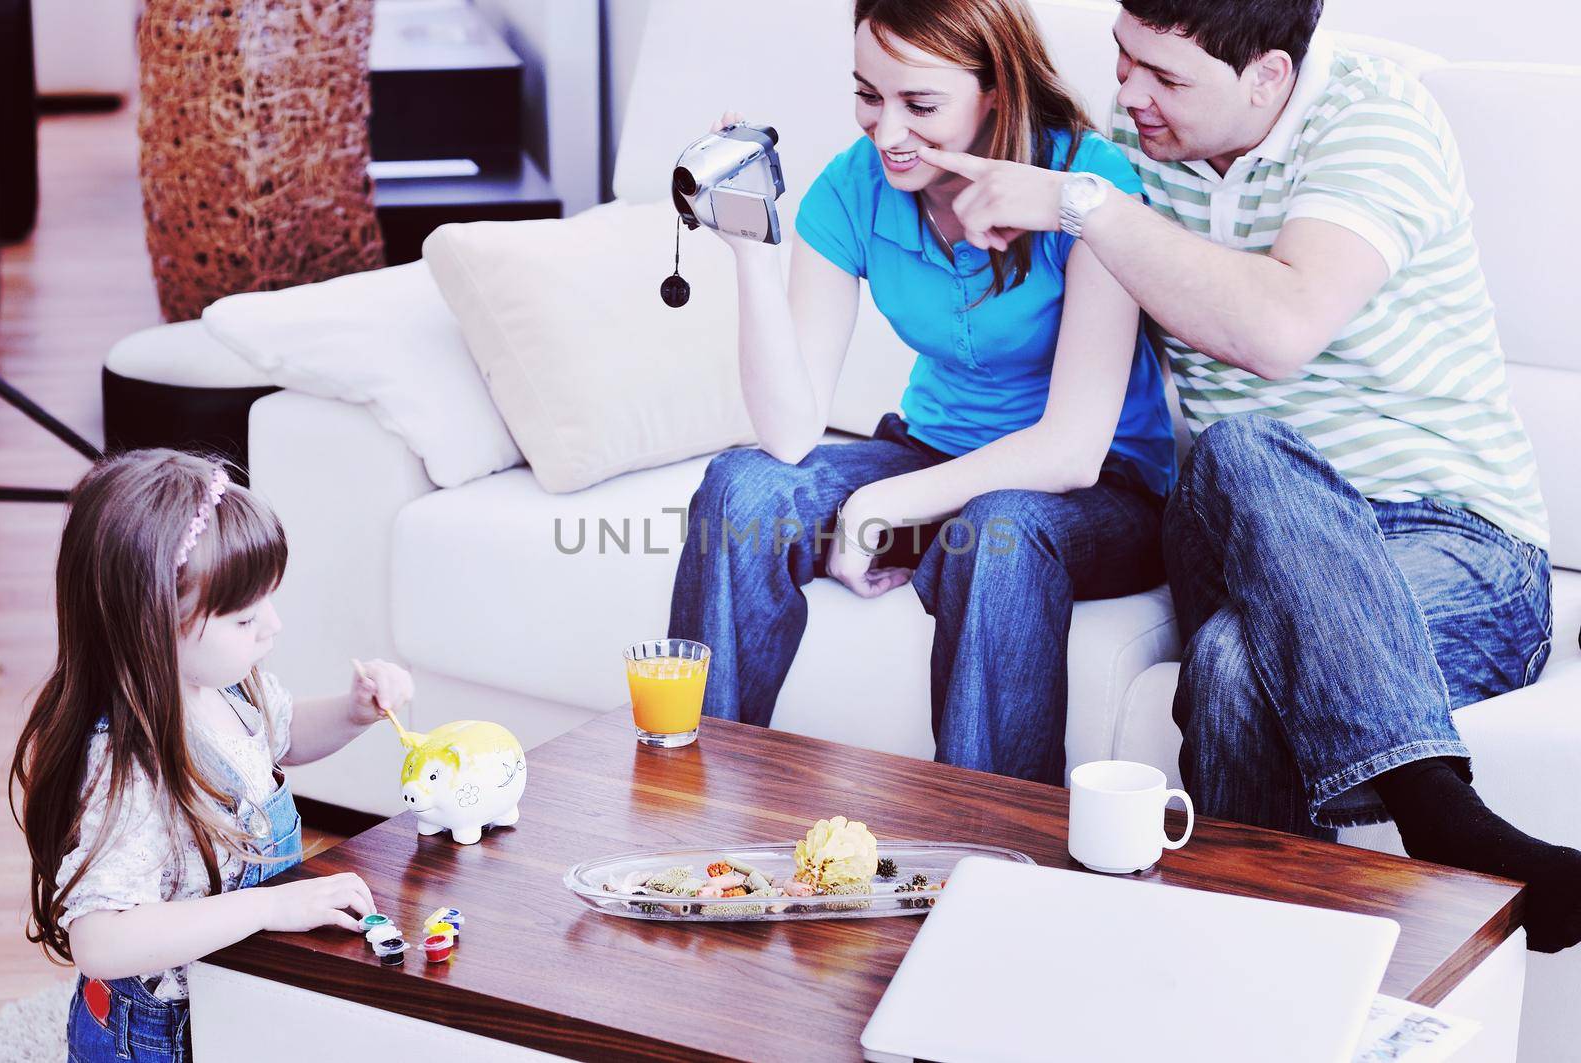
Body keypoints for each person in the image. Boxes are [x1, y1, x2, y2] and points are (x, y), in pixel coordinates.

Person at [917, 0, 1580, 951]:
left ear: (1269, 74)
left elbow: (1278, 329)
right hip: (1234, 530)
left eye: (1168, 78)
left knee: (1231, 660)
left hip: (1458, 548)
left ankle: (1247, 970)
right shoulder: (1129, 158)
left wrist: (1090, 209)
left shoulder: (1373, 119)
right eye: (1123, 59)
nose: (1129, 94)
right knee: (1237, 452)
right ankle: (1440, 810)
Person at [667, 0, 1175, 785]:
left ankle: (997, 860)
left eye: (921, 104)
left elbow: (1072, 451)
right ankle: (697, 811)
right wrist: (750, 250)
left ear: (996, 90)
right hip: (934, 456)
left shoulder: (1087, 186)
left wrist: (884, 507)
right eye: (870, 95)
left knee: (1002, 528)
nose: (888, 132)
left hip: (1098, 492)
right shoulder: (851, 188)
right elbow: (791, 435)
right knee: (744, 488)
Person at [9, 450, 416, 1060]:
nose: (272, 627)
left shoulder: (226, 686)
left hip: (230, 995)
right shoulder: (126, 768)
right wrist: (269, 905)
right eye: (245, 618)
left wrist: (353, 712)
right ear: (151, 626)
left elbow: (283, 737)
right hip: (157, 1036)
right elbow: (100, 940)